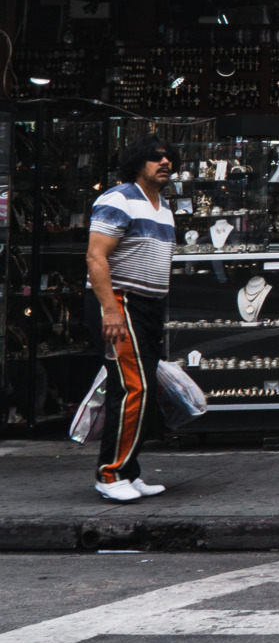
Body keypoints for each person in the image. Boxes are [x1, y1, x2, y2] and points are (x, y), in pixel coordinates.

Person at [85, 139, 179, 502]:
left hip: (148, 307)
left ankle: (128, 470)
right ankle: (109, 475)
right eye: (156, 157)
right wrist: (110, 310)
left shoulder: (164, 206)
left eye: (170, 157)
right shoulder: (118, 198)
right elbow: (96, 257)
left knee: (140, 388)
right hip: (121, 302)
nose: (165, 161)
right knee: (132, 387)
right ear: (138, 163)